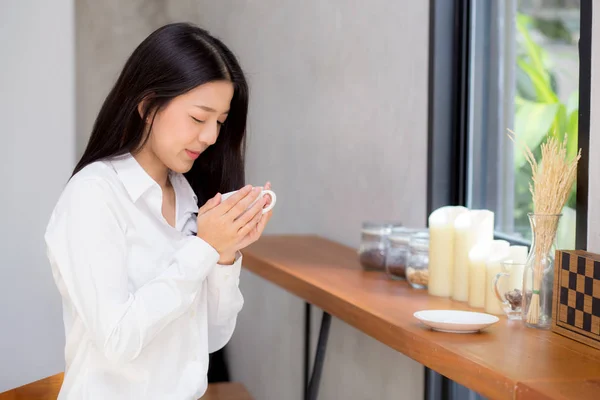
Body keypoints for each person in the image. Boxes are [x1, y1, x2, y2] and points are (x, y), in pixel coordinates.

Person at [44, 22, 273, 399]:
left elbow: (211, 337)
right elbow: (118, 339)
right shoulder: (94, 194)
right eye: (199, 118)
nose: (211, 136)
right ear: (148, 106)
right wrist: (203, 248)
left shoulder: (187, 197)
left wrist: (225, 254)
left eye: (219, 122)